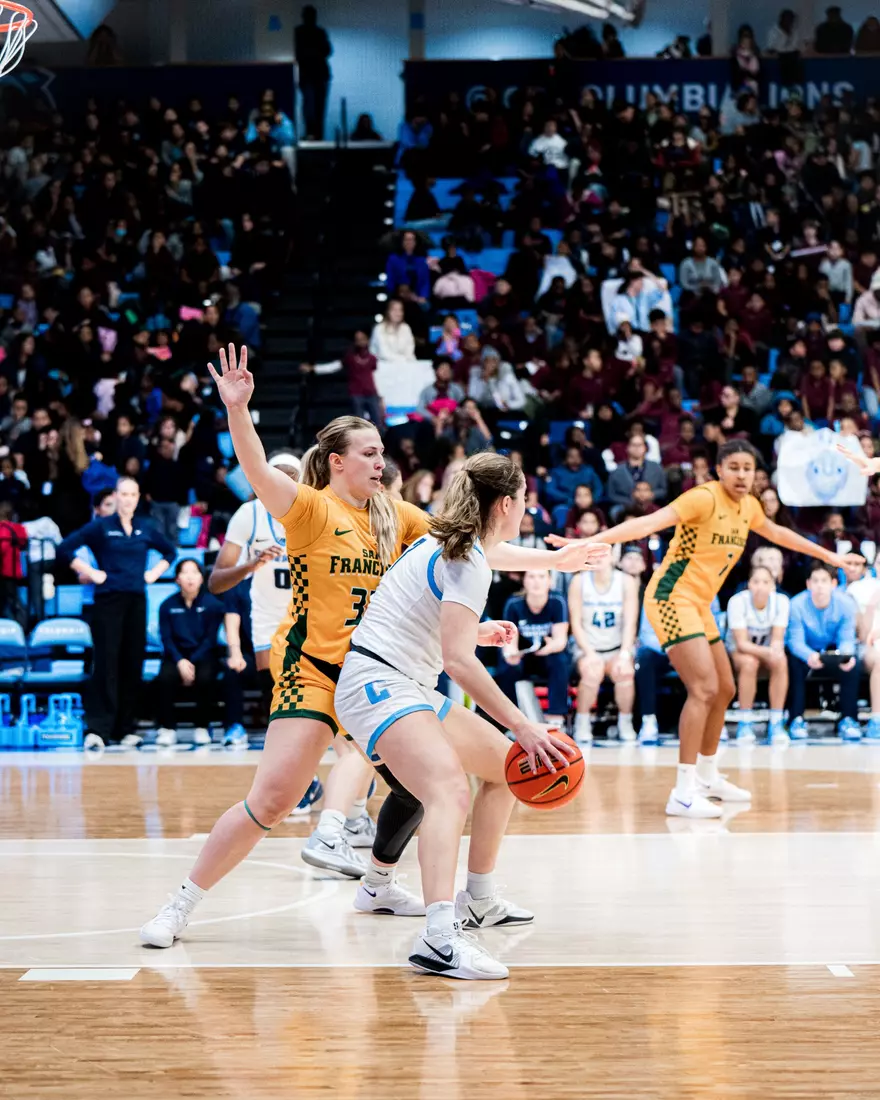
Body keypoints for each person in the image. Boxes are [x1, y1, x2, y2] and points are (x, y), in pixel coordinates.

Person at [141, 346, 604, 948]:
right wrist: (238, 409)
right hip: (316, 672)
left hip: (383, 677)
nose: (382, 462)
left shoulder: (395, 514)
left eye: (384, 453)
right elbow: (256, 468)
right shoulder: (309, 507)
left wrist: (553, 561)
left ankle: (384, 882)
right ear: (336, 462)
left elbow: (469, 548)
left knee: (430, 785)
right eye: (370, 453)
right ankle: (180, 905)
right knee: (273, 801)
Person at [334, 452, 610, 980]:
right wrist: (524, 724)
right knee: (449, 790)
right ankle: (438, 938)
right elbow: (458, 662)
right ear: (507, 504)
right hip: (377, 684)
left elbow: (444, 612)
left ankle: (477, 899)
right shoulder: (467, 559)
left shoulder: (460, 545)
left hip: (399, 679)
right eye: (525, 499)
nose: (526, 509)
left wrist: (555, 563)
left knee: (507, 768)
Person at [549, 440, 862, 818]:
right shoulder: (703, 498)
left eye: (749, 468)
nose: (742, 475)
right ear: (719, 470)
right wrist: (589, 541)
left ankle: (708, 776)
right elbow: (647, 523)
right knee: (703, 688)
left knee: (726, 688)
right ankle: (682, 792)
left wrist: (829, 556)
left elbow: (779, 534)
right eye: (734, 467)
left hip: (699, 604)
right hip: (670, 598)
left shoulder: (749, 506)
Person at [209, 452, 376, 855]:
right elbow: (216, 581)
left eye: (290, 477)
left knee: (327, 719)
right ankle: (340, 801)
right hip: (274, 626)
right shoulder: (248, 516)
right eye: (275, 476)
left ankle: (317, 784)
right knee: (316, 711)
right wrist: (251, 564)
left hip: (318, 621)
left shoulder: (315, 511)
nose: (281, 483)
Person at [58, 477, 175, 750]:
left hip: (137, 601)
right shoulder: (101, 527)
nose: (128, 499)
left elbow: (170, 552)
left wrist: (152, 574)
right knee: (106, 664)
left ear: (137, 498)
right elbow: (64, 549)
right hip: (108, 602)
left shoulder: (145, 528)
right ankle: (99, 729)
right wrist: (91, 573)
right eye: (123, 494)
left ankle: (125, 728)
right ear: (117, 496)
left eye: (133, 494)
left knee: (132, 664)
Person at [786, 562, 860, 740]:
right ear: (808, 584)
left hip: (833, 650)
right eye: (815, 581)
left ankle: (848, 719)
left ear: (833, 584)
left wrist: (846, 655)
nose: (819, 585)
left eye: (824, 581)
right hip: (806, 650)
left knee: (853, 664)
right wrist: (808, 655)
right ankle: (796, 719)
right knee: (793, 663)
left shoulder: (845, 604)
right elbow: (794, 641)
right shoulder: (795, 605)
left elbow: (847, 637)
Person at [568, 558, 639, 743]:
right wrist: (590, 654)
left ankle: (626, 721)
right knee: (592, 672)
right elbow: (575, 623)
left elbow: (630, 623)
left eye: (604, 553)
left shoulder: (626, 581)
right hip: (587, 647)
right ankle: (582, 722)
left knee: (624, 672)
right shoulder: (579, 581)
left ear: (613, 556)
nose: (599, 558)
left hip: (617, 647)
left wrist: (624, 654)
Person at [157, 560, 226, 746]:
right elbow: (166, 639)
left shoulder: (213, 605)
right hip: (176, 656)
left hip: (204, 655)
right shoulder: (167, 606)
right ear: (177, 578)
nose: (190, 577)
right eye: (184, 573)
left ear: (202, 578)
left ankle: (202, 727)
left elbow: (210, 639)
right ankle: (167, 728)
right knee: (164, 677)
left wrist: (192, 661)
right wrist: (181, 661)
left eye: (194, 572)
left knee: (205, 677)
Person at [496, 569, 570, 728]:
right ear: (524, 581)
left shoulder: (557, 601)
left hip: (547, 654)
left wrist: (550, 647)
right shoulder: (514, 604)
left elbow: (560, 640)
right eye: (532, 576)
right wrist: (510, 654)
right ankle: (510, 721)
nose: (537, 581)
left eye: (542, 576)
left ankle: (556, 716)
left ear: (550, 581)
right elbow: (509, 643)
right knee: (506, 666)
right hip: (524, 657)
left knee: (560, 660)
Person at [726, 563, 791, 744]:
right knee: (749, 663)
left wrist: (774, 652)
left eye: (765, 582)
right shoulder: (737, 601)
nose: (760, 586)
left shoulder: (781, 602)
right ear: (749, 584)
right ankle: (744, 723)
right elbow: (742, 644)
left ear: (773, 585)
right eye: (756, 581)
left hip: (766, 650)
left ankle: (776, 723)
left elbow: (777, 639)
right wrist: (768, 652)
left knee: (781, 660)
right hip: (739, 652)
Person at [294, 5, 332, 140]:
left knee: (319, 107)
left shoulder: (319, 32)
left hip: (320, 75)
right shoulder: (299, 32)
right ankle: (311, 133)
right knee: (310, 107)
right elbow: (297, 53)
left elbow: (328, 51)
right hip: (308, 75)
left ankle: (317, 135)